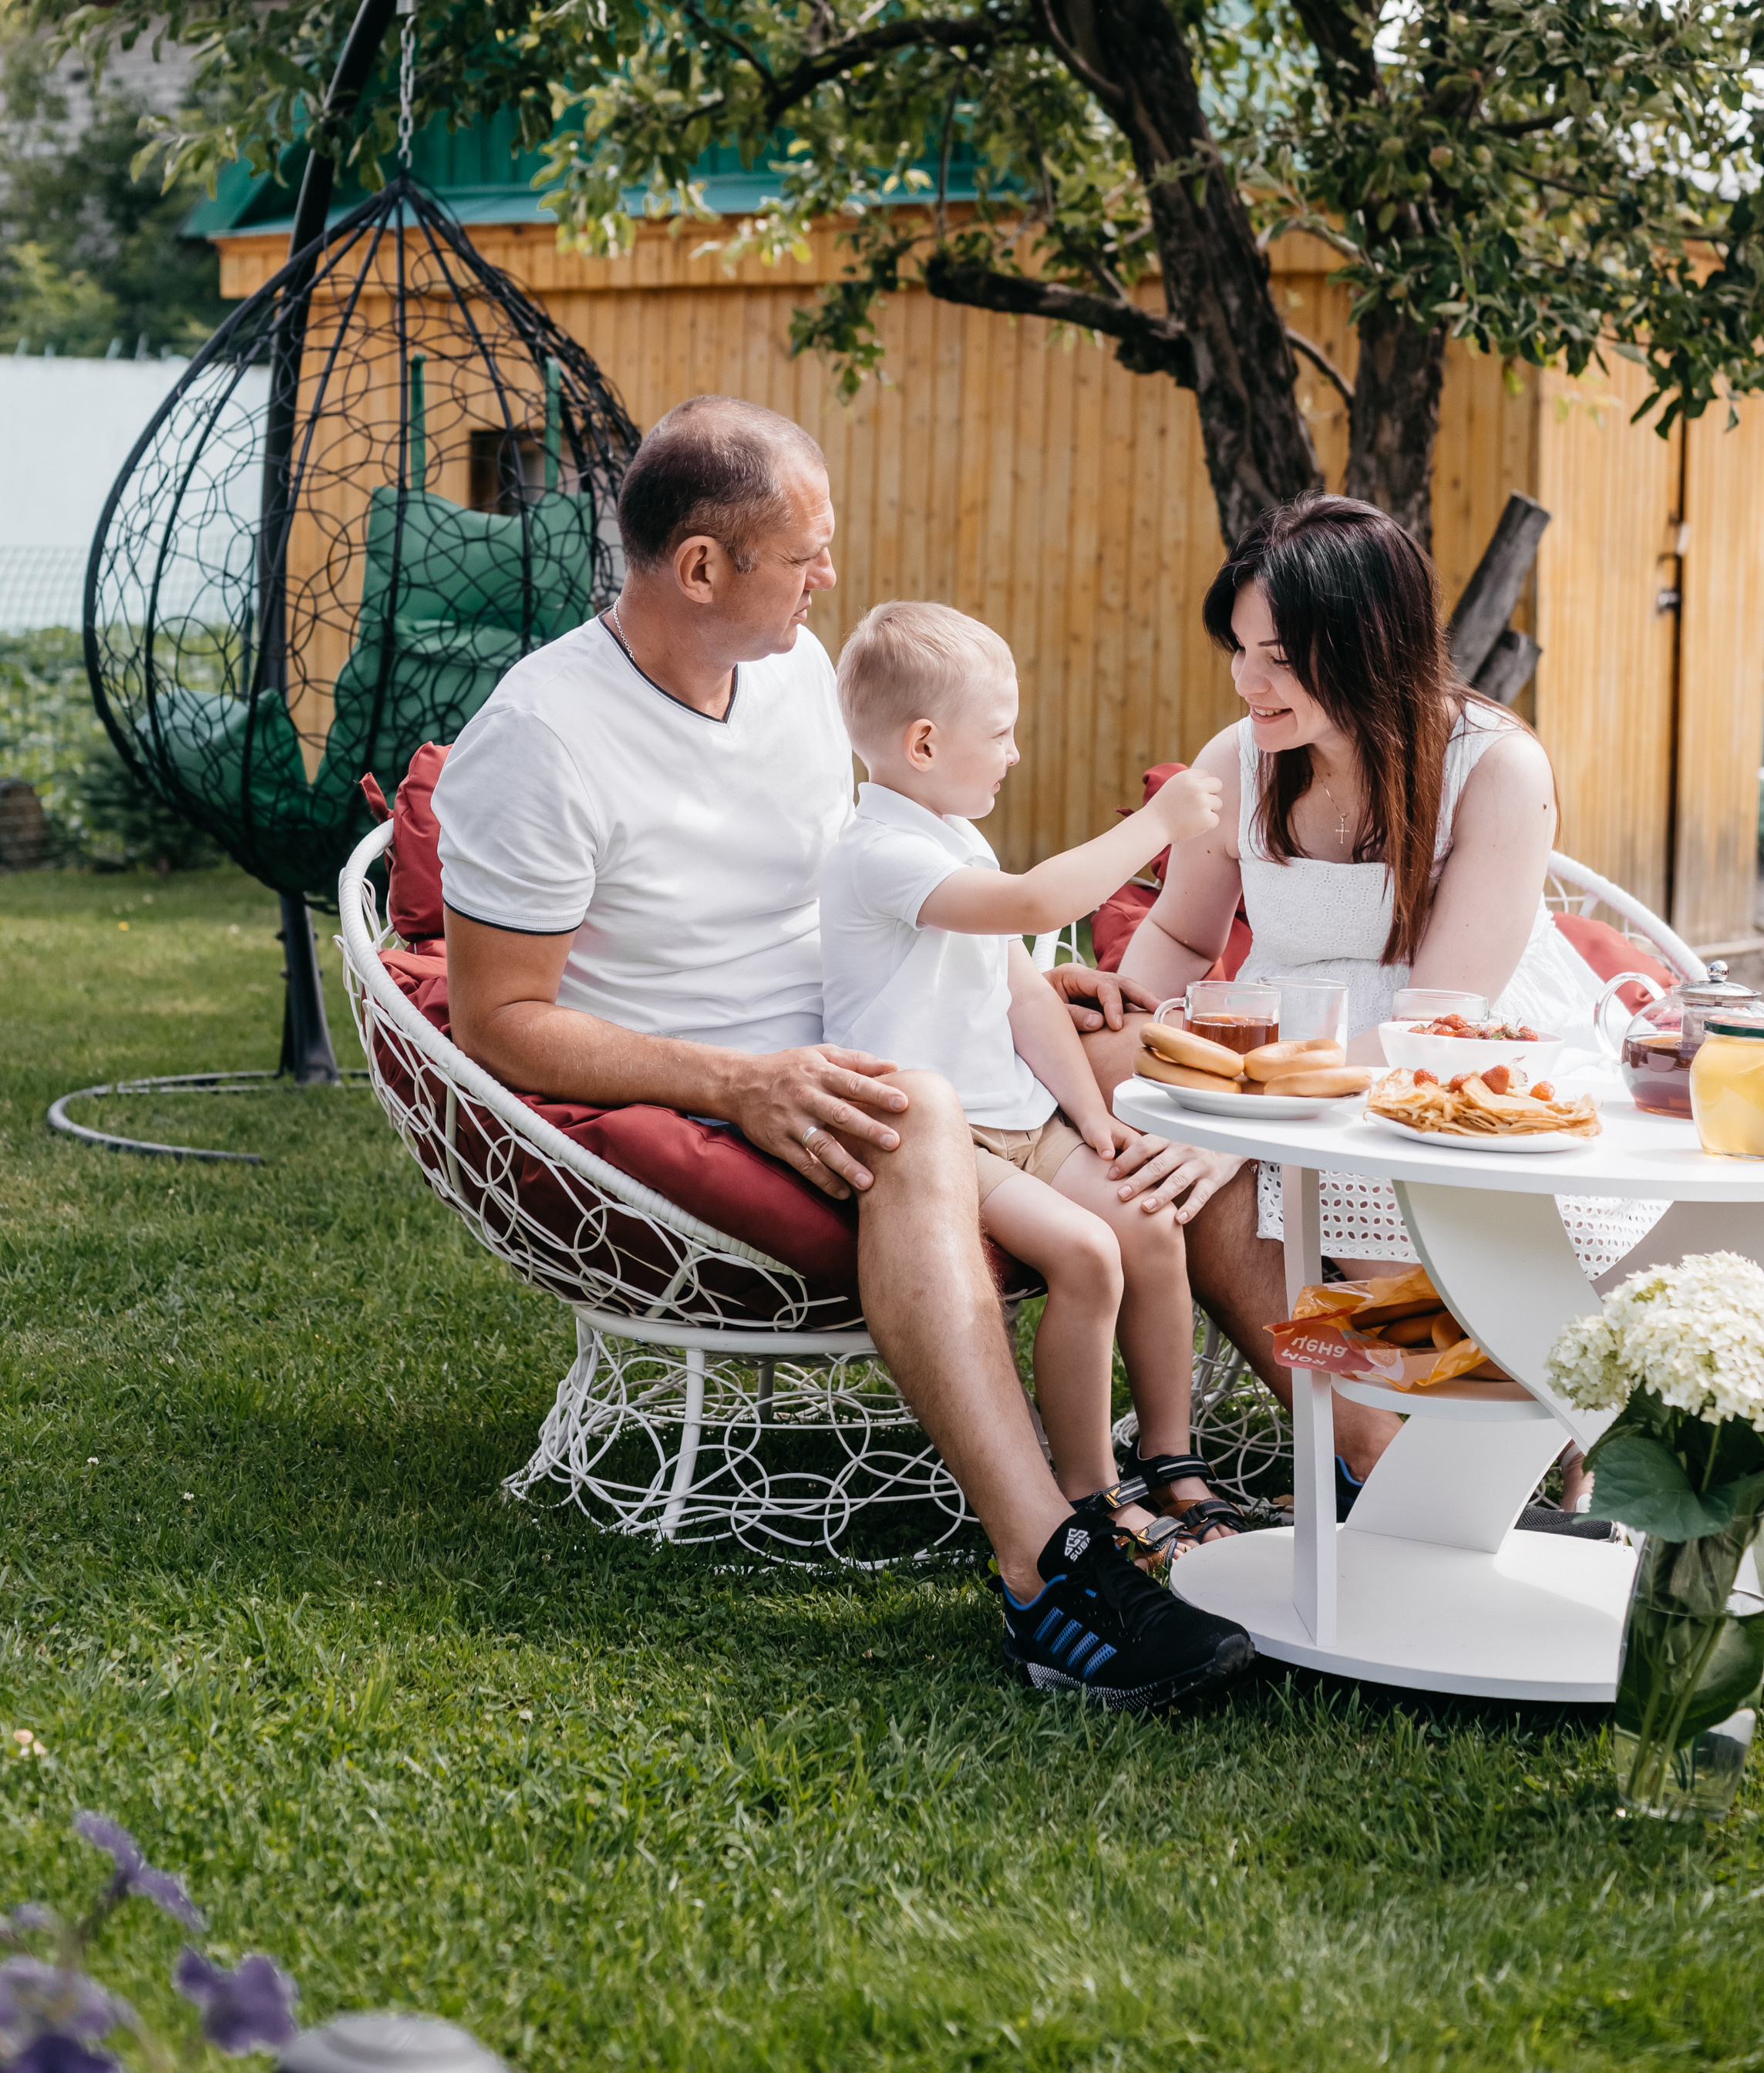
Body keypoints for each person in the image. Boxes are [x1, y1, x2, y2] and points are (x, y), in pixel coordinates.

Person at [433, 395, 1251, 1707]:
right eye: (805, 554)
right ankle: (1052, 1577)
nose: (830, 579)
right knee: (922, 1104)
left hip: (866, 1038)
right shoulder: (539, 741)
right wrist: (737, 1083)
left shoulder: (796, 677)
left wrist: (1020, 970)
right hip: (742, 1090)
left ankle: (1350, 1454)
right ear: (701, 567)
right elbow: (497, 1022)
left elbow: (870, 883)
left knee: (1160, 1056)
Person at [1082, 493, 1651, 1510]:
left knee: (1425, 1246)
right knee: (1177, 1156)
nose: (1246, 682)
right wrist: (1130, 1010)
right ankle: (1366, 1446)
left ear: (1366, 646)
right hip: (1288, 1067)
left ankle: (1577, 1414)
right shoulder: (1241, 759)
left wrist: (1255, 1114)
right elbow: (1178, 936)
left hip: (1450, 1068)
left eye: (1278, 659)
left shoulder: (1495, 770)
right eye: (1240, 650)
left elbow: (1440, 1016)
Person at [822, 599, 1247, 1568]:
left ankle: (1171, 1458)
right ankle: (1088, 1497)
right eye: (1002, 733)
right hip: (938, 1141)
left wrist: (1095, 1121)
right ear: (924, 743)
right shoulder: (881, 852)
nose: (1015, 754)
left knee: (1146, 1217)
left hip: (1018, 1120)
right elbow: (1034, 905)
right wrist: (1159, 824)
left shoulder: (953, 838)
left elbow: (1020, 992)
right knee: (1090, 1258)